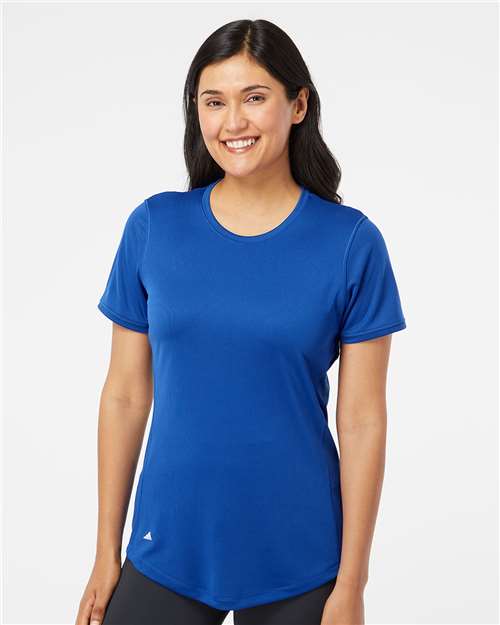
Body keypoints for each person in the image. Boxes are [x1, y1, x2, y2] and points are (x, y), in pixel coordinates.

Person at [75, 18, 407, 625]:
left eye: (254, 98)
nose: (233, 122)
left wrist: (352, 582)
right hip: (166, 545)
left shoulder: (350, 243)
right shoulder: (154, 227)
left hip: (300, 552)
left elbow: (362, 420)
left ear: (298, 105)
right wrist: (105, 555)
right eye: (214, 102)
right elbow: (124, 395)